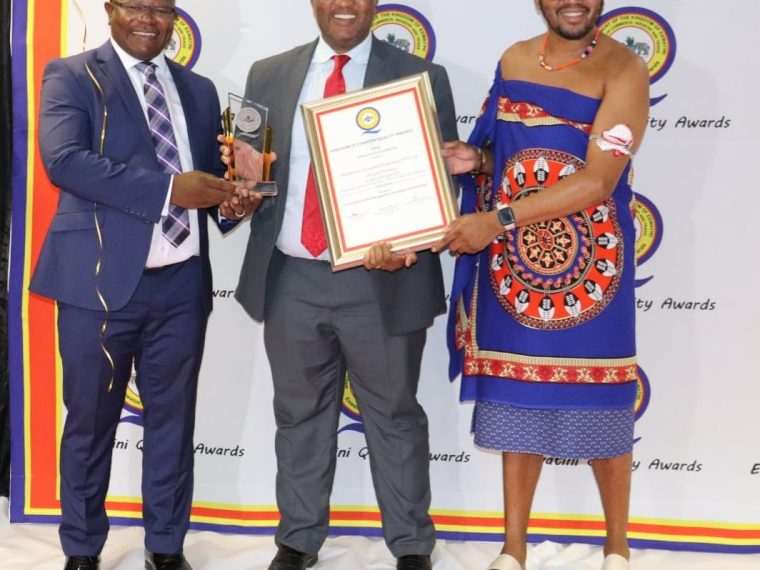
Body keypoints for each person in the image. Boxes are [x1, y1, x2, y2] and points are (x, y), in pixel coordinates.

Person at [222, 1, 457, 568]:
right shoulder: (267, 73)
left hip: (382, 280)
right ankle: (298, 539)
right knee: (298, 413)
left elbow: (441, 181)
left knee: (395, 414)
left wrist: (412, 241)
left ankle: (411, 545)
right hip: (291, 276)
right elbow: (251, 183)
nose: (344, 5)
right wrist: (239, 190)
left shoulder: (422, 77)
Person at [31, 1, 252, 569]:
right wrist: (170, 189)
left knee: (173, 423)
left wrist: (235, 201)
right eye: (135, 5)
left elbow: (209, 183)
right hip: (98, 282)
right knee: (90, 423)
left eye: (161, 8)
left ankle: (166, 546)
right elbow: (65, 161)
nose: (148, 18)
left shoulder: (199, 90)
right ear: (110, 8)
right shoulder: (71, 74)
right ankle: (82, 549)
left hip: (181, 284)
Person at [432, 1, 649, 569]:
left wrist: (497, 219)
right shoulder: (514, 59)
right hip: (514, 262)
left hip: (593, 264)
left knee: (603, 398)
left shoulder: (624, 67)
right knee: (517, 394)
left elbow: (599, 179)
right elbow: (503, 158)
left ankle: (618, 548)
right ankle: (513, 549)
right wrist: (476, 160)